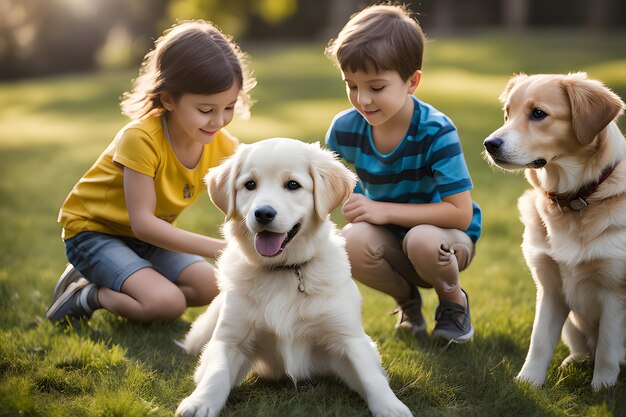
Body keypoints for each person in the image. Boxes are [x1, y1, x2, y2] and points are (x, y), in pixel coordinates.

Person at [46, 20, 255, 324]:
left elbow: (257, 183)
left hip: (148, 242)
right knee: (168, 304)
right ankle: (87, 293)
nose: (219, 121)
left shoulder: (222, 146)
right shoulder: (141, 139)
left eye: (229, 107)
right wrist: (223, 247)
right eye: (206, 110)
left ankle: (133, 277)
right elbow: (143, 223)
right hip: (93, 234)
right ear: (169, 99)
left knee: (213, 286)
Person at [324, 3, 482, 343]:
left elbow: (460, 213)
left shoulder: (436, 132)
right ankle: (408, 304)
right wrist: (351, 198)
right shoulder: (345, 130)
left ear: (412, 82)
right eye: (351, 85)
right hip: (390, 239)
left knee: (422, 238)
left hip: (445, 240)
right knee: (350, 240)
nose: (362, 99)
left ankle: (454, 303)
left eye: (376, 87)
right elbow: (334, 184)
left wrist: (380, 209)